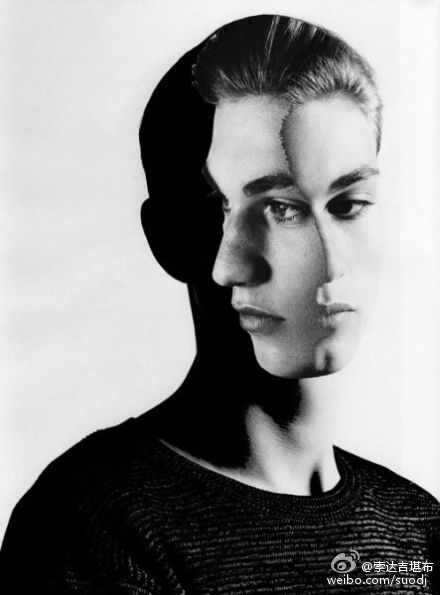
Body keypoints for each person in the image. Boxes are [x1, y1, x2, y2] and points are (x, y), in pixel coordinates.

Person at [1, 14, 439, 594]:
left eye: (349, 203)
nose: (332, 263)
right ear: (171, 240)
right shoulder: (92, 523)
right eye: (281, 208)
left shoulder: (418, 528)